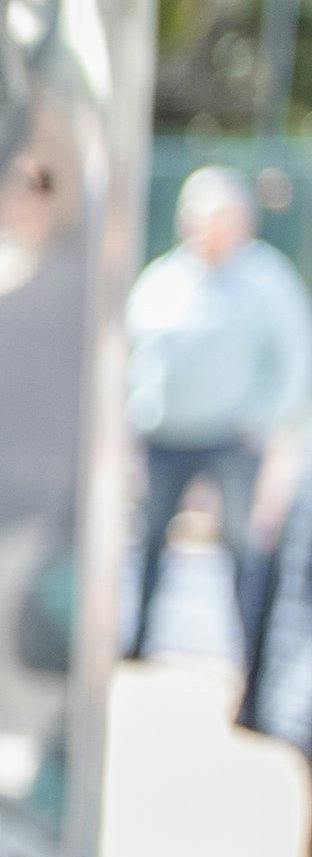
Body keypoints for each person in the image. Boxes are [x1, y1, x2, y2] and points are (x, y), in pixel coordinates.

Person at [125, 166, 312, 652]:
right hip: (163, 438)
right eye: (196, 215)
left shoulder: (268, 279)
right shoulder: (163, 277)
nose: (204, 225)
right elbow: (133, 351)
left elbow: (295, 360)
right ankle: (137, 641)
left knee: (241, 552)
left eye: (217, 215)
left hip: (232, 441)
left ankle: (249, 660)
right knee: (146, 543)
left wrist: (264, 423)